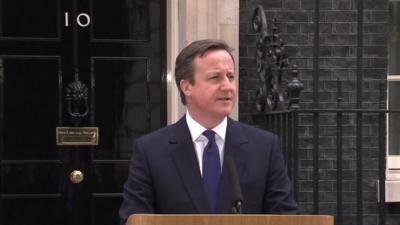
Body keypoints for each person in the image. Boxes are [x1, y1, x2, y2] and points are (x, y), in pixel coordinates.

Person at [119, 39, 298, 224]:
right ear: (186, 86)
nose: (228, 86)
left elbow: (286, 217)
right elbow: (133, 218)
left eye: (230, 76)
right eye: (215, 78)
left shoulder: (264, 147)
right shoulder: (150, 150)